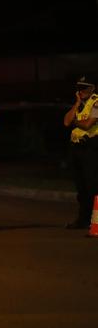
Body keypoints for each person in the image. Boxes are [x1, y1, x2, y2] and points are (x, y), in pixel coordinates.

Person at [63, 76, 98, 229]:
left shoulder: (96, 102)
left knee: (92, 186)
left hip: (91, 148)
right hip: (76, 149)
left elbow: (87, 124)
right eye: (79, 88)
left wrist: (74, 122)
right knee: (81, 187)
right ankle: (83, 220)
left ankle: (95, 221)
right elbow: (66, 121)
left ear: (93, 88)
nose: (81, 91)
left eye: (84, 88)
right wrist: (77, 103)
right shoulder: (80, 104)